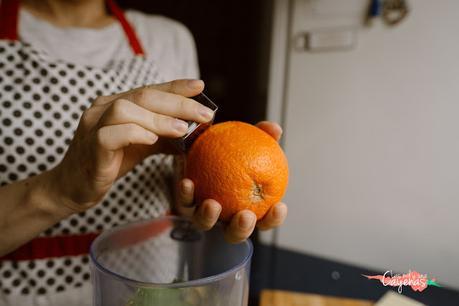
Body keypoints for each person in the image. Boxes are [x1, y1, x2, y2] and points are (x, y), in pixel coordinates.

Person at [0, 0, 288, 304]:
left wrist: (210, 205)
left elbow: (184, 194)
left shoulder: (169, 38)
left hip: (153, 291)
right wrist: (59, 191)